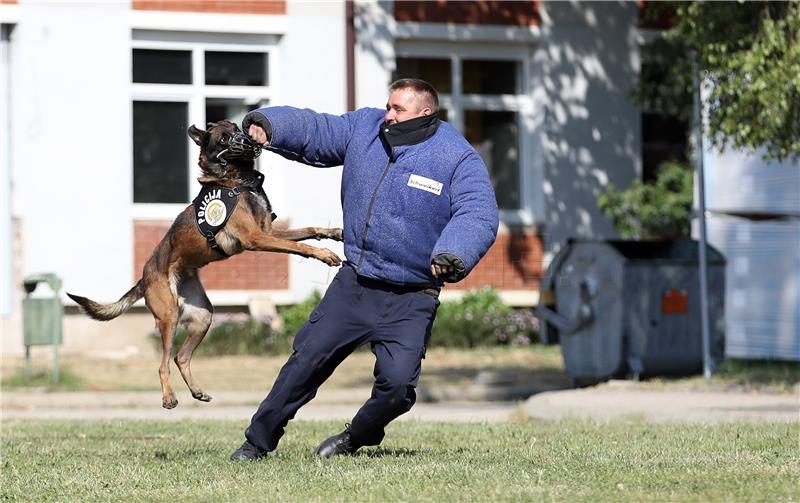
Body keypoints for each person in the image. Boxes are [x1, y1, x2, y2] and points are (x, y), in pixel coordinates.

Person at [230, 78, 499, 461]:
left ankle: (355, 438)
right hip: (356, 284)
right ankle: (256, 443)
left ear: (426, 113)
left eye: (398, 110)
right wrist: (269, 125)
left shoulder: (456, 158)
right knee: (304, 363)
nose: (388, 115)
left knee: (397, 388)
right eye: (388, 106)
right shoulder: (366, 129)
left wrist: (454, 252)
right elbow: (319, 130)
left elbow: (478, 212)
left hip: (412, 296)